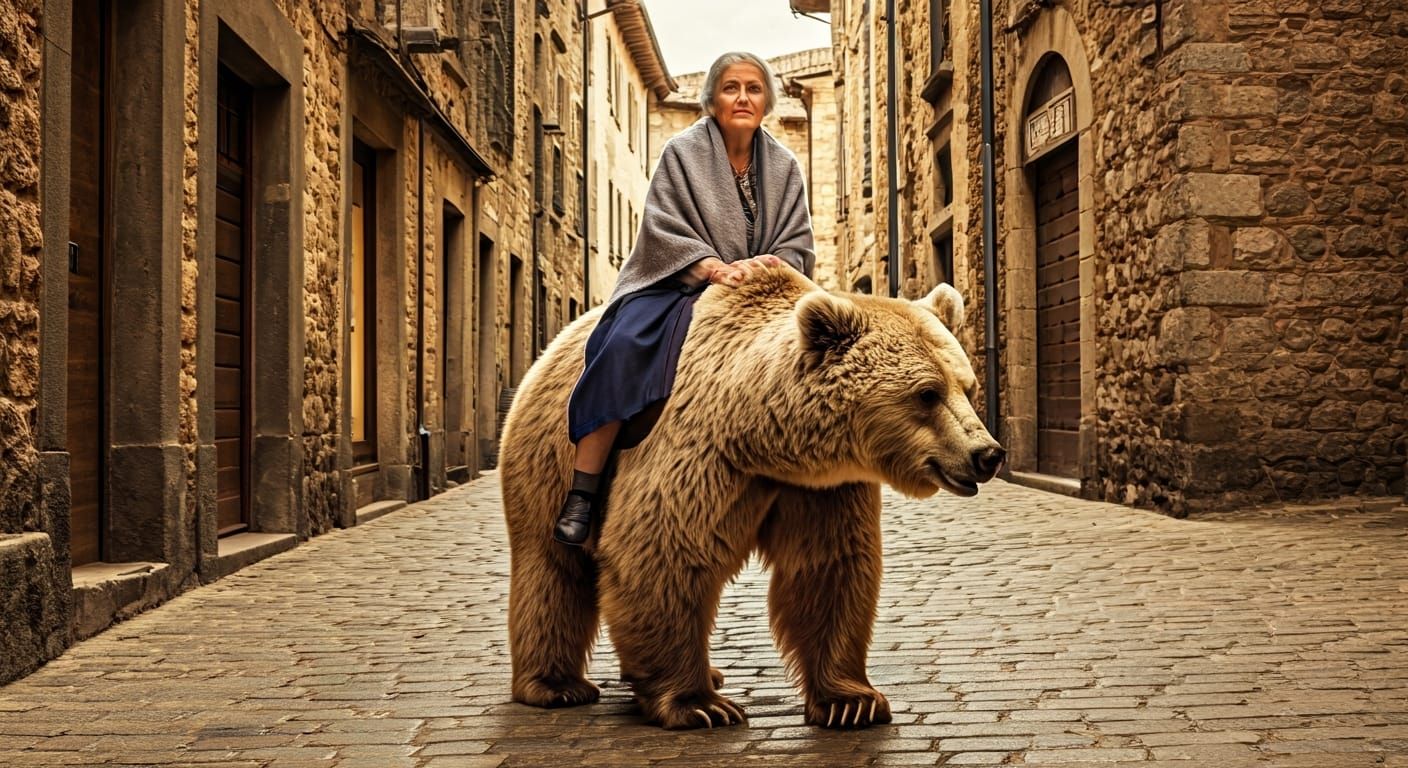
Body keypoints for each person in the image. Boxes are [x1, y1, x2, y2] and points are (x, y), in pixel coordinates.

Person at [553, 51, 816, 546]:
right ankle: (583, 491)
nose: (743, 97)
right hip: (677, 281)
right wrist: (714, 267)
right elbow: (662, 229)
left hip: (761, 292)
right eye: (731, 87)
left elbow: (797, 243)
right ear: (712, 98)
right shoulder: (682, 152)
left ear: (767, 101)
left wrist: (762, 267)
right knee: (624, 344)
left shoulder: (784, 165)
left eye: (753, 88)